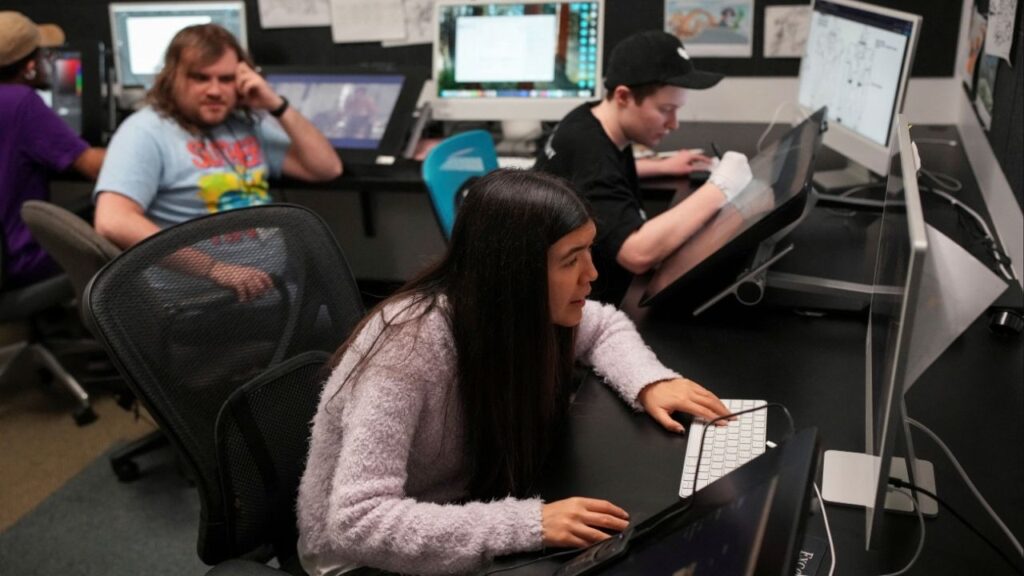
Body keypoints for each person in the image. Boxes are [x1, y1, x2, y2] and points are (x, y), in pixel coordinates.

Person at [296, 169, 732, 575]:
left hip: (460, 510)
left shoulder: (512, 310)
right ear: (512, 273)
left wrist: (650, 381)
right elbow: (357, 522)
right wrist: (529, 523)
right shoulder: (407, 350)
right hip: (360, 562)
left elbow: (604, 326)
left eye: (589, 252)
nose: (592, 275)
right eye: (571, 260)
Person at [92, 23, 341, 300]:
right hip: (202, 302)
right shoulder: (145, 131)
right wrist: (214, 268)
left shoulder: (243, 126)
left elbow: (326, 168)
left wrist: (275, 105)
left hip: (273, 289)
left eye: (225, 79)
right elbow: (112, 220)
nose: (215, 90)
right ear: (173, 78)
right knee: (351, 328)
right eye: (201, 78)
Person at [534, 30, 753, 306]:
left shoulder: (588, 120)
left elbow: (592, 177)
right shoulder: (591, 156)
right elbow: (637, 253)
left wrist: (658, 166)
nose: (674, 124)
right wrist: (722, 186)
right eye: (665, 109)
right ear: (624, 96)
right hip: (573, 303)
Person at [0, 11, 105, 288]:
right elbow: (93, 166)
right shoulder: (21, 102)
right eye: (47, 55)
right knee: (114, 234)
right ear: (30, 66)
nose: (52, 61)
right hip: (17, 262)